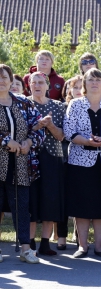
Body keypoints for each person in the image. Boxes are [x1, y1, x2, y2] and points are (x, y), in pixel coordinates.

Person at [63, 68, 101, 258]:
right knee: (81, 206)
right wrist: (86, 141)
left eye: (98, 79)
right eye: (90, 80)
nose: (94, 83)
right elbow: (69, 131)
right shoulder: (75, 104)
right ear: (84, 84)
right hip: (79, 162)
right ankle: (82, 246)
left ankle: (99, 246)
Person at [0, 64, 44, 263]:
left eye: (5, 77)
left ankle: (26, 249)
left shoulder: (23, 102)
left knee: (22, 206)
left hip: (21, 164)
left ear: (11, 80)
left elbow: (40, 126)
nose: (1, 81)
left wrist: (29, 142)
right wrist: (5, 141)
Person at [28, 72, 66, 256]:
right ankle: (30, 242)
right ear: (29, 85)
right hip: (30, 157)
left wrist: (49, 125)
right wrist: (37, 126)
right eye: (33, 82)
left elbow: (61, 136)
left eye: (40, 82)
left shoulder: (58, 106)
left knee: (50, 200)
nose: (37, 85)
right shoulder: (22, 103)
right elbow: (20, 134)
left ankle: (45, 243)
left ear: (47, 85)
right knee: (32, 199)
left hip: (53, 157)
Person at [57, 75, 84, 250]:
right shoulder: (62, 108)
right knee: (63, 199)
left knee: (78, 198)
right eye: (75, 87)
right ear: (68, 91)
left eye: (82, 87)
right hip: (62, 159)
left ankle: (78, 235)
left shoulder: (90, 107)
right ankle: (61, 236)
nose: (78, 91)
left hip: (82, 160)